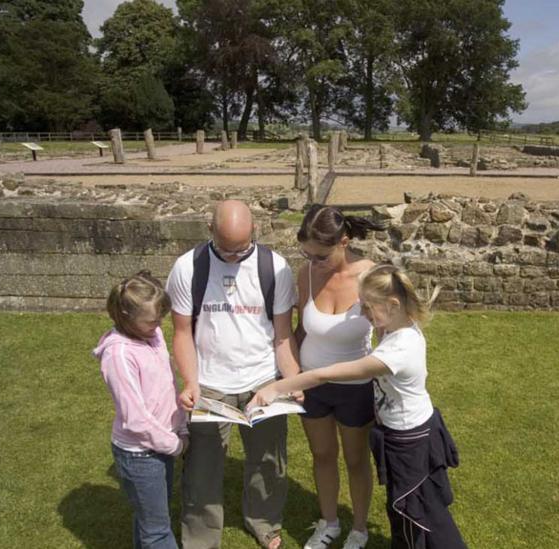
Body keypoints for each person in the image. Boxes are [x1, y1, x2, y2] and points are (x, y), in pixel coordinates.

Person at [248, 265, 467, 549]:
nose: (363, 314)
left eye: (367, 307)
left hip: (412, 439)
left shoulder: (398, 349)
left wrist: (276, 388)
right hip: (402, 434)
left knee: (424, 515)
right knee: (401, 509)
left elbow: (326, 373)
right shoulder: (395, 326)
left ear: (393, 304)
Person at [166, 200, 300, 549]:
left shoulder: (275, 267)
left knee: (269, 462)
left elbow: (283, 335)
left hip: (263, 381)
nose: (233, 257)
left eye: (241, 249)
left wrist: (292, 380)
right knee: (201, 469)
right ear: (209, 230)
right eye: (226, 250)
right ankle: (199, 539)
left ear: (254, 232)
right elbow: (181, 332)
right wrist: (191, 382)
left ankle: (264, 522)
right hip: (209, 382)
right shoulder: (187, 267)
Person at [294, 205, 384, 549]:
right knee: (322, 455)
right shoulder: (307, 274)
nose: (312, 262)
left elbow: (394, 336)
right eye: (306, 254)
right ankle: (329, 523)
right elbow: (300, 330)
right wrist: (288, 376)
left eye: (320, 256)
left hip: (356, 388)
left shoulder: (372, 277)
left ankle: (358, 529)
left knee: (356, 459)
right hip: (313, 385)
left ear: (343, 242)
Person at [93, 271, 186, 549]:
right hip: (140, 454)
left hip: (159, 446)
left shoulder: (152, 334)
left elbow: (166, 382)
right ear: (125, 316)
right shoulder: (119, 355)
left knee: (150, 519)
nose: (159, 324)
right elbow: (136, 420)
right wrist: (176, 444)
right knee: (157, 531)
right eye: (152, 320)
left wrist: (179, 424)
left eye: (161, 317)